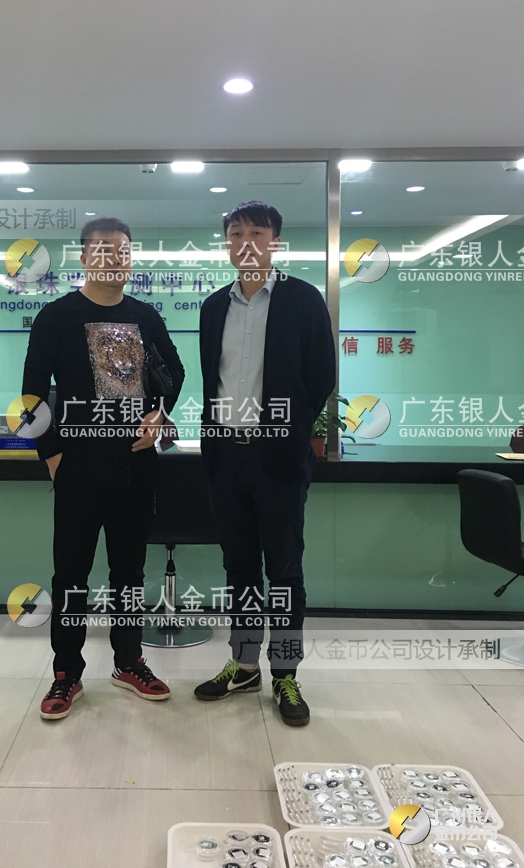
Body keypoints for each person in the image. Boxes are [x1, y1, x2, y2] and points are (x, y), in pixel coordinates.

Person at [23, 217, 185, 720]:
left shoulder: (145, 316)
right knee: (71, 574)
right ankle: (66, 672)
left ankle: (129, 661)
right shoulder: (57, 316)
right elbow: (31, 395)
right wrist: (53, 457)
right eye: (103, 250)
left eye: (123, 251)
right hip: (77, 467)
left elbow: (175, 371)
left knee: (129, 573)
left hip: (136, 467)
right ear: (84, 258)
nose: (115, 259)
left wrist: (159, 414)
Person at [193, 201, 336, 726]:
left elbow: (321, 376)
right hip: (225, 458)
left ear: (275, 242)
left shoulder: (303, 299)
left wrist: (287, 429)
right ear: (227, 243)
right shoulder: (214, 307)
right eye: (236, 233)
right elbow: (213, 379)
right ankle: (245, 664)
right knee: (239, 569)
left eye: (257, 232)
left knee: (284, 571)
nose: (246, 241)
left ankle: (286, 673)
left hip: (278, 458)